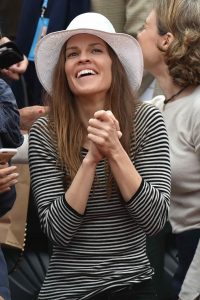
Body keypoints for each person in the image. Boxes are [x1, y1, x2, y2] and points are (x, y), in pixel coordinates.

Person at [29, 12, 171, 300]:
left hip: (131, 285)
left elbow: (155, 219)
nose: (83, 59)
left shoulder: (147, 120)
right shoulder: (46, 131)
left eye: (95, 50)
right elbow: (57, 232)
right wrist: (90, 160)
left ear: (113, 64)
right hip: (67, 291)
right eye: (72, 54)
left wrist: (115, 150)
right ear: (64, 70)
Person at [137, 0, 200, 299]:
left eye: (145, 26)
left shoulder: (198, 108)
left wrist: (190, 292)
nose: (137, 34)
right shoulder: (158, 109)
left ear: (167, 40)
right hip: (181, 253)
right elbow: (83, 135)